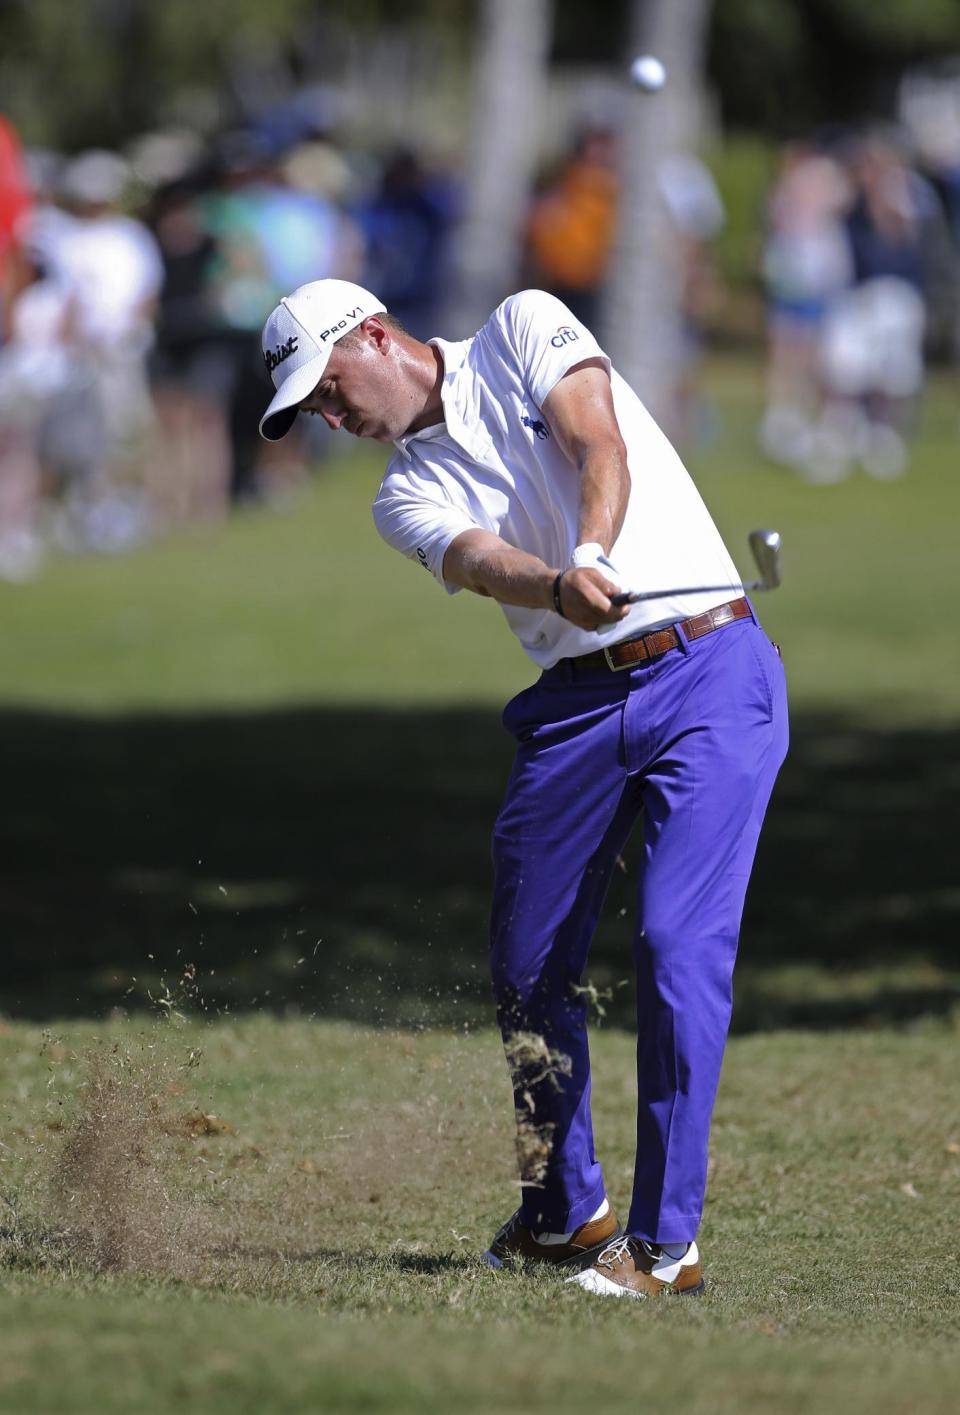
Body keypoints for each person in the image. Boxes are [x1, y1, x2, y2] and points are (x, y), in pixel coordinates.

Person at [258, 278, 789, 1300]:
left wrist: (589, 550)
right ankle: (559, 1210)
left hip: (711, 668)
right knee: (525, 963)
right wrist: (556, 585)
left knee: (678, 944)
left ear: (374, 334)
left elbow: (599, 441)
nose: (332, 418)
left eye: (329, 389)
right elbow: (481, 556)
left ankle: (665, 1245)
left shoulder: (520, 326)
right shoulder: (397, 492)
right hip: (577, 702)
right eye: (314, 411)